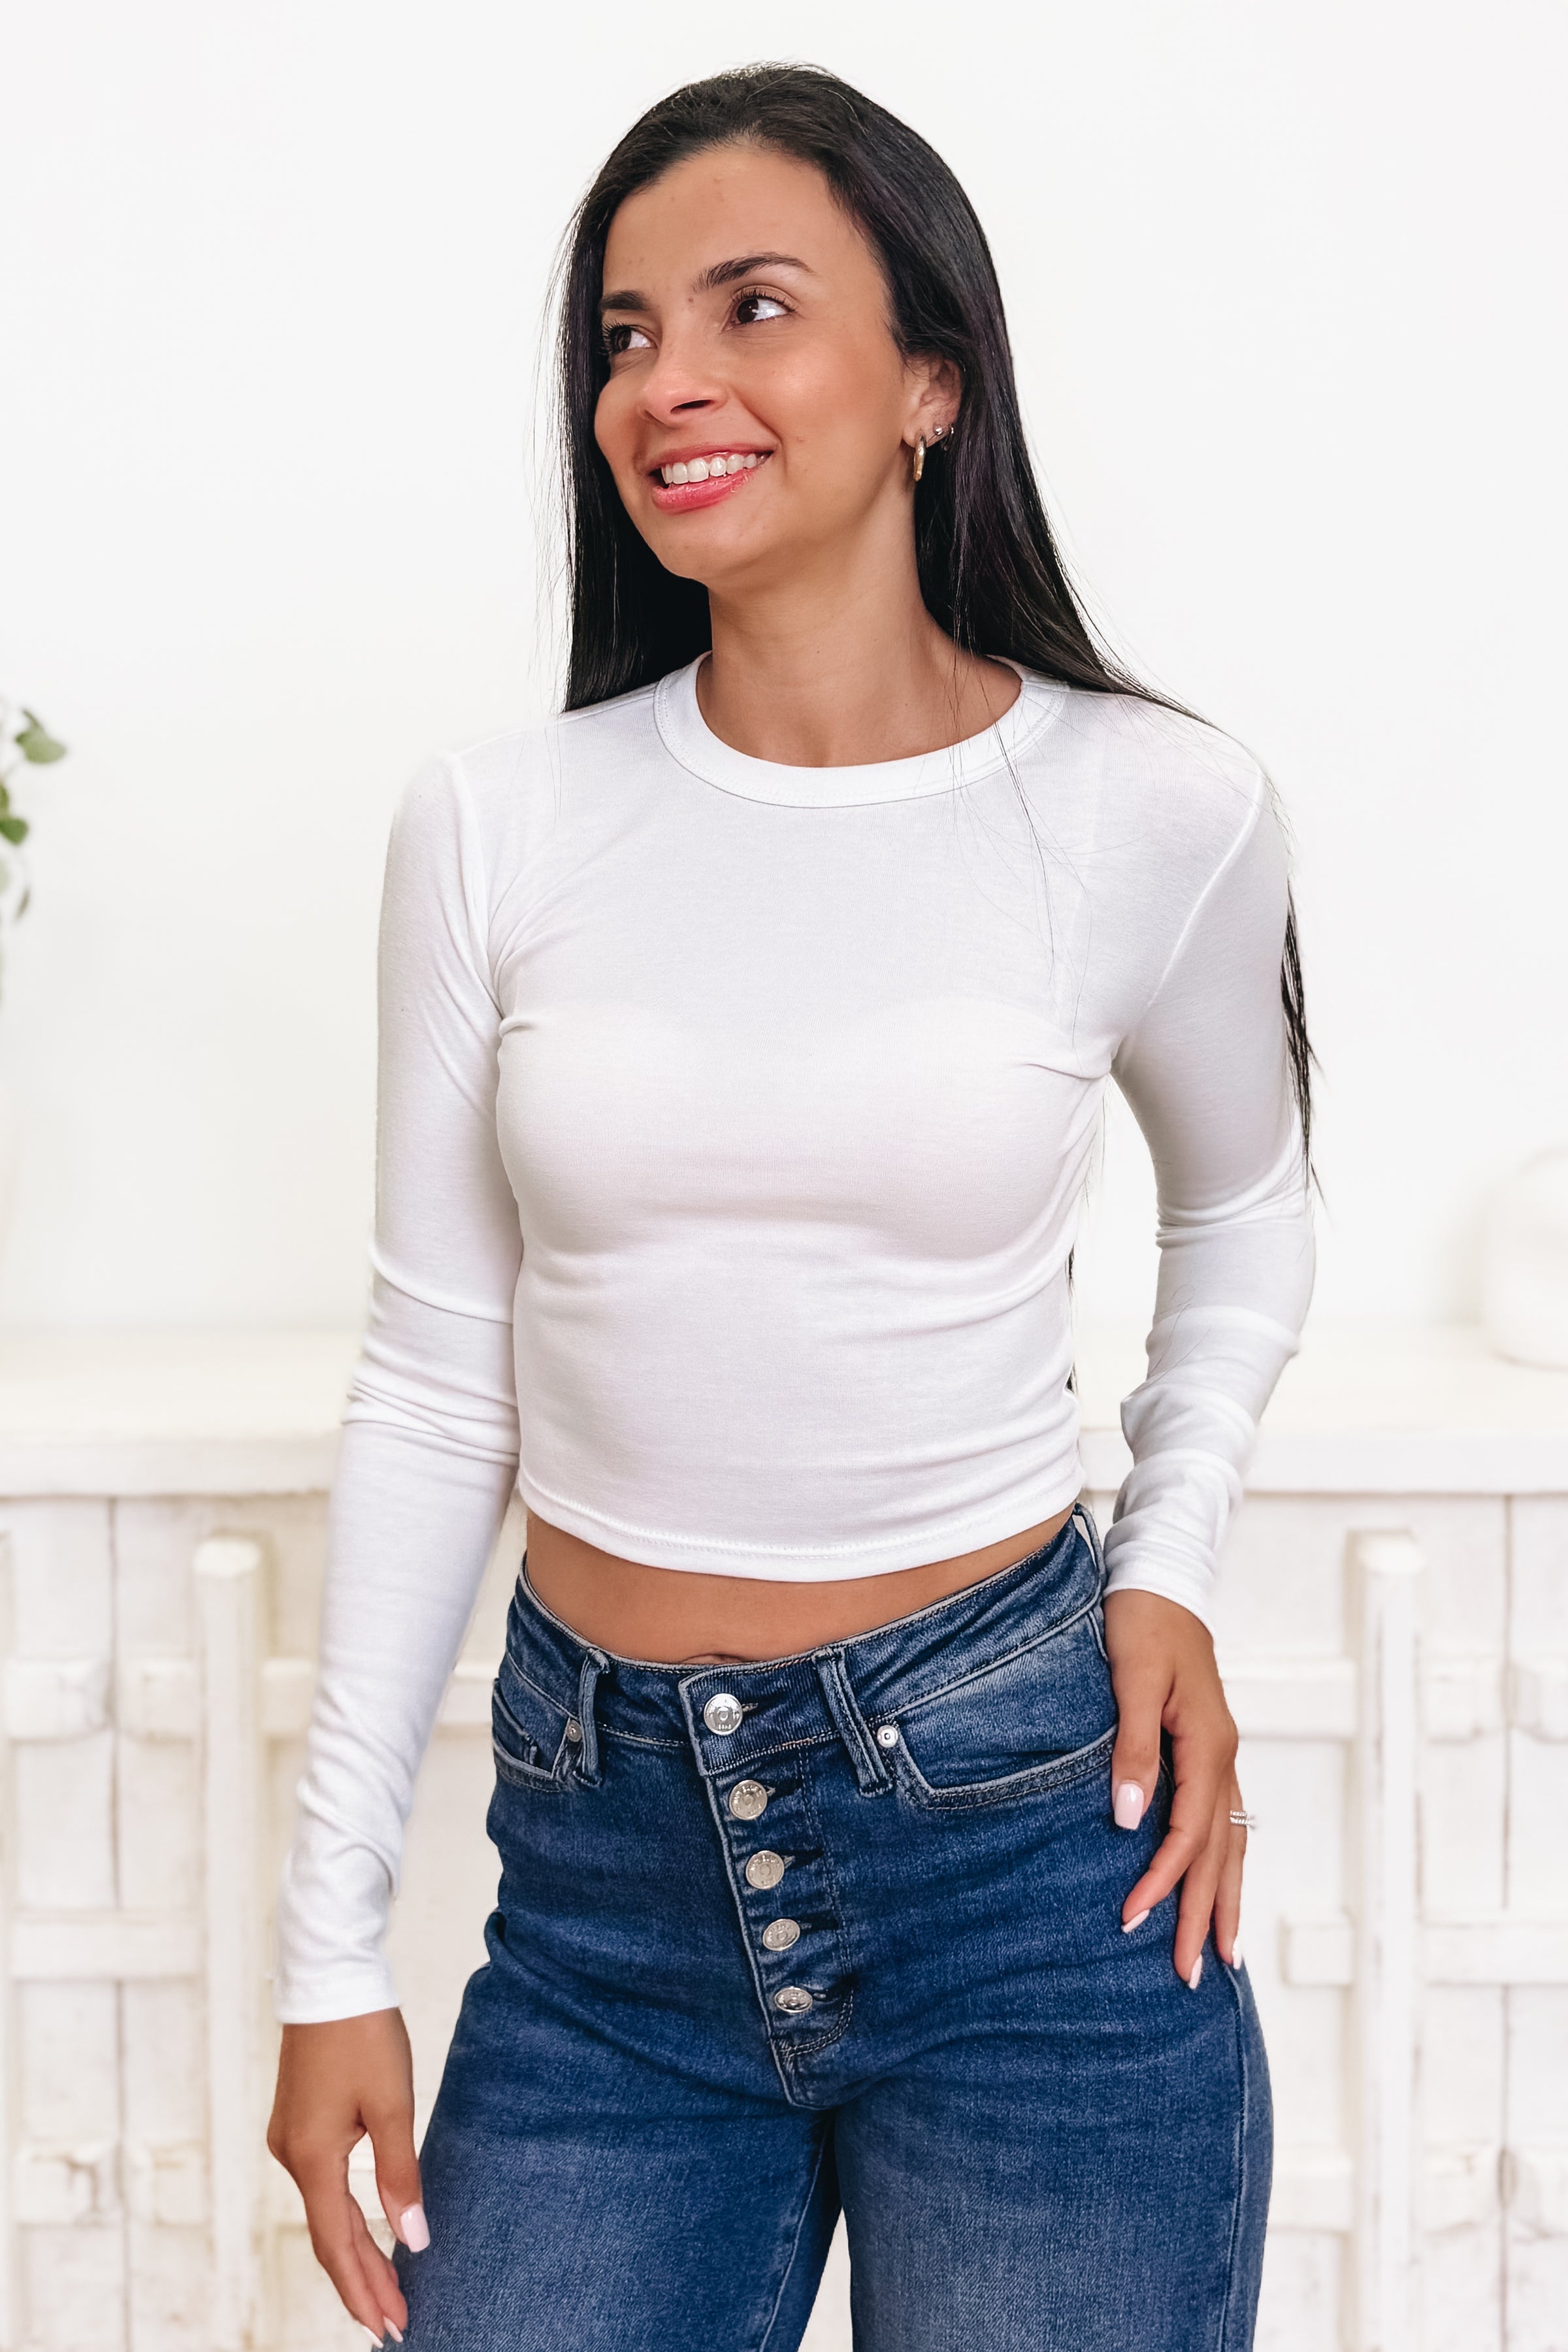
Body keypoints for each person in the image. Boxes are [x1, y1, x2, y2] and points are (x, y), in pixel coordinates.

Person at [267, 63, 1315, 2352]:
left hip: (1033, 1852)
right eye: (625, 335)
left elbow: (1247, 1214)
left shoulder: (1152, 808)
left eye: (753, 308)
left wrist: (1171, 1559)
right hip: (604, 1898)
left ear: (933, 379)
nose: (669, 383)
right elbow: (435, 1379)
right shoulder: (499, 824)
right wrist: (329, 1949)